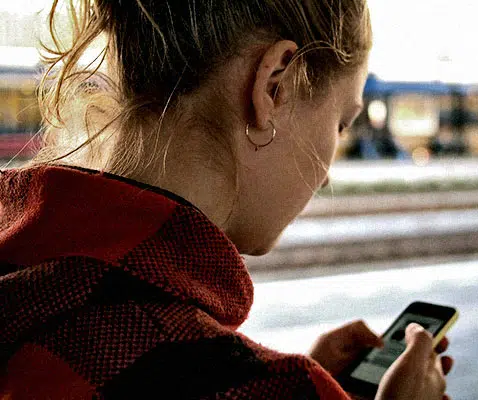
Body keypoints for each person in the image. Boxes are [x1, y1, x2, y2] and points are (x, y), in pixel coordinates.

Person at [0, 0, 453, 399]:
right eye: (341, 122)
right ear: (276, 84)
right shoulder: (265, 386)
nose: (326, 173)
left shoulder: (29, 279)